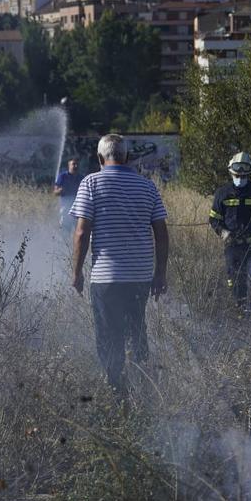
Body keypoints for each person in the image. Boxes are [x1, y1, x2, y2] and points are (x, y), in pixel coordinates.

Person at [70, 134, 169, 389]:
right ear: (126, 157)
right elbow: (161, 233)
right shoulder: (148, 187)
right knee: (136, 327)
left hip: (106, 278)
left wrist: (77, 273)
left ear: (100, 158)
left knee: (108, 334)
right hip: (140, 277)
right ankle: (141, 381)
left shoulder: (90, 183)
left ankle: (116, 388)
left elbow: (82, 232)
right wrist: (160, 274)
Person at [210, 152, 251, 318]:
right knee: (235, 284)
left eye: (244, 173)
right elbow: (214, 219)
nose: (240, 176)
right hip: (233, 248)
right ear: (231, 172)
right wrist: (223, 232)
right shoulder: (222, 193)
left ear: (250, 173)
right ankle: (240, 315)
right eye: (237, 173)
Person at [54, 159, 83, 230]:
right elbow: (55, 192)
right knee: (65, 228)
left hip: (78, 208)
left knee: (78, 229)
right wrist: (60, 191)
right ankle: (63, 240)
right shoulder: (63, 176)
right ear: (69, 166)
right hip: (65, 207)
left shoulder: (81, 177)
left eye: (77, 165)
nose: (76, 166)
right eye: (73, 164)